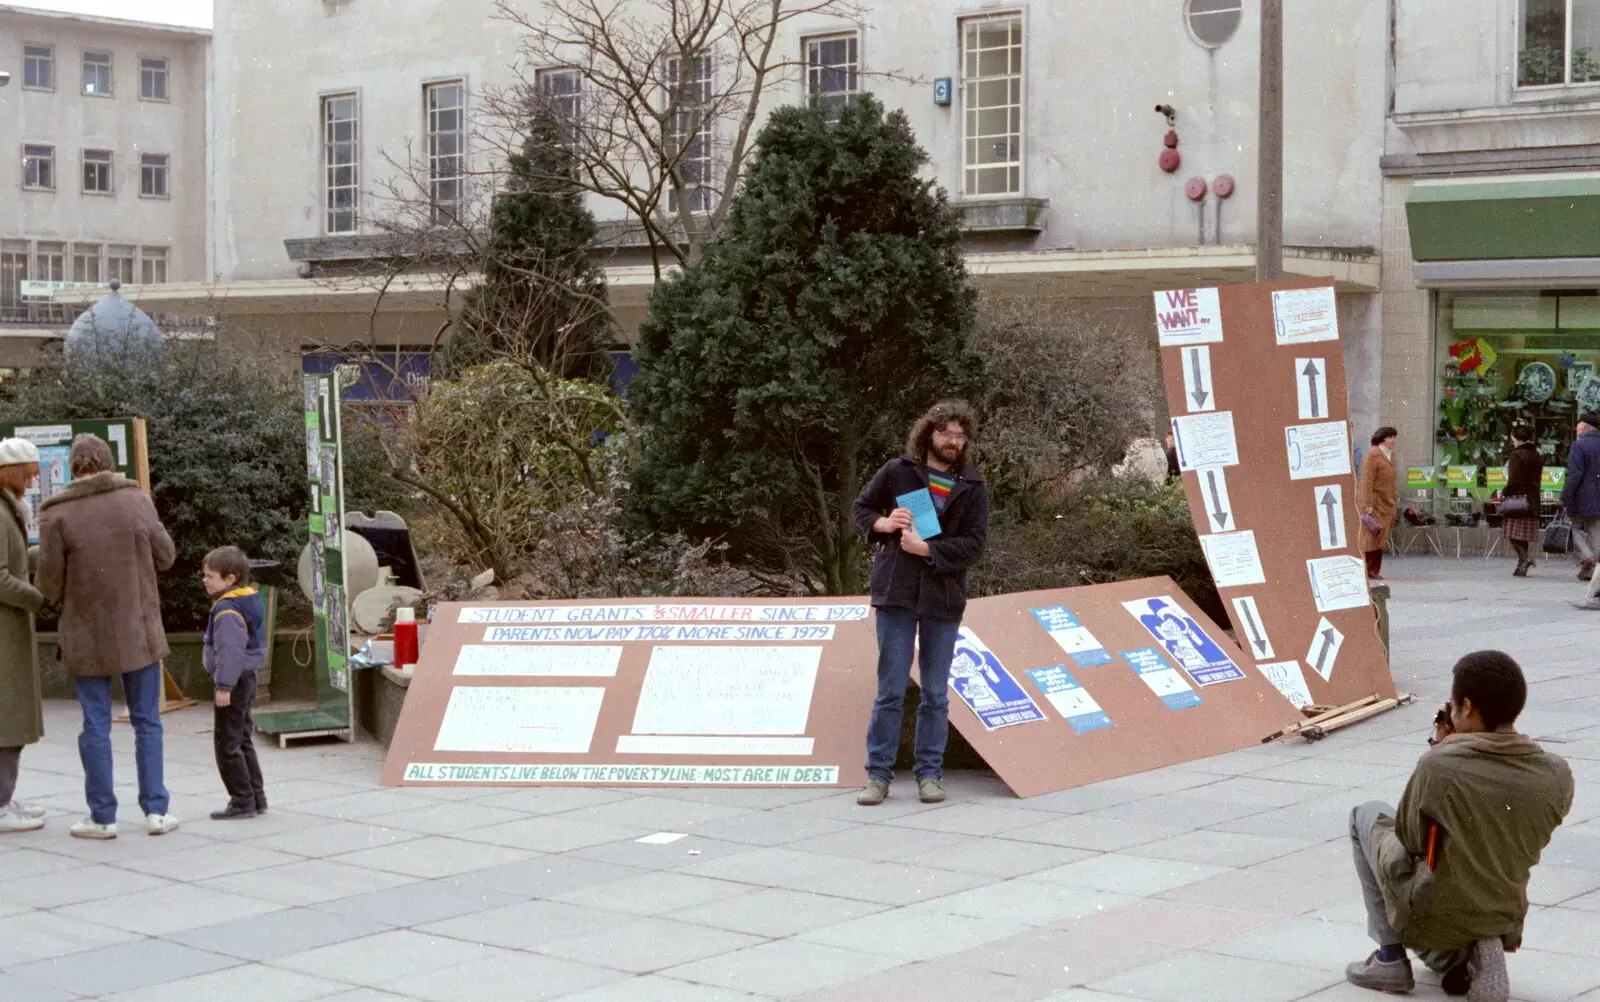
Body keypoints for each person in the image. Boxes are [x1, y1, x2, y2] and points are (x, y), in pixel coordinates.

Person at [1345, 651, 1572, 1002]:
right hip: (1503, 911)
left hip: (1436, 908)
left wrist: (1441, 750)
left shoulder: (1440, 765)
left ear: (1467, 707)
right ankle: (1478, 948)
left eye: (1452, 706)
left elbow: (1410, 840)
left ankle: (1390, 958)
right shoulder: (1556, 773)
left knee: (1368, 815)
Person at [37, 434, 179, 840]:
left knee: (94, 724)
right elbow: (167, 556)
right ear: (108, 461)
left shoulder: (56, 514)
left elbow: (48, 586)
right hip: (139, 631)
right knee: (147, 721)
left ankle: (102, 816)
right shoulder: (137, 500)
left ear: (72, 467)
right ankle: (155, 811)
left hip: (85, 636)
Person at [851, 400, 988, 806]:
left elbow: (975, 545)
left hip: (943, 599)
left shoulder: (974, 486)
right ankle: (878, 777)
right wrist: (884, 523)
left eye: (960, 435)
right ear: (929, 433)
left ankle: (930, 775)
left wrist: (926, 549)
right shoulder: (899, 471)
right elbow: (862, 509)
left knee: (935, 693)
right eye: (946, 432)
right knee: (890, 690)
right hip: (896, 594)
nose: (953, 441)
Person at [0, 440, 49, 834]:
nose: (36, 478)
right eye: (30, 470)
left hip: (8, 629)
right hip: (4, 631)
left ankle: (4, 797)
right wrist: (39, 599)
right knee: (8, 718)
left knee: (10, 717)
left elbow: (14, 562)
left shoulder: (7, 510)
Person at [201, 546, 269, 820]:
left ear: (230, 579)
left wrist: (223, 686)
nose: (204, 580)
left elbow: (230, 652)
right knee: (242, 739)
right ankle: (256, 796)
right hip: (246, 679)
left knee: (227, 743)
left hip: (233, 682)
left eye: (210, 576)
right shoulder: (246, 601)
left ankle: (242, 800)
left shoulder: (227, 610)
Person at [1562, 412, 1600, 583]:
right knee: (1595, 531)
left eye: (1578, 424)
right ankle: (1595, 567)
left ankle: (1587, 558)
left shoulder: (1579, 445)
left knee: (1571, 527)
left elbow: (1574, 474)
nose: (1576, 427)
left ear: (1584, 427)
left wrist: (1564, 496)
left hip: (1581, 497)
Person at [1356, 427, 1399, 581]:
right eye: (1390, 437)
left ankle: (1374, 570)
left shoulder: (1390, 456)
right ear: (1382, 438)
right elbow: (1366, 482)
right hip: (1374, 503)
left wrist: (1394, 498)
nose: (1393, 440)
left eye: (1394, 437)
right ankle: (1368, 570)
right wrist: (1367, 504)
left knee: (1381, 538)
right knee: (1371, 538)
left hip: (1387, 503)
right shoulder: (1372, 456)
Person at [1502, 425, 1544, 578]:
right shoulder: (1537, 454)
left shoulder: (1516, 455)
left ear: (1517, 439)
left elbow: (1514, 479)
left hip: (1517, 499)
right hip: (1532, 499)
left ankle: (1524, 559)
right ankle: (1522, 564)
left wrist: (1505, 493)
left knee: (1513, 533)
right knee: (1523, 534)